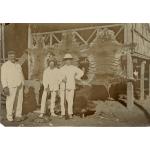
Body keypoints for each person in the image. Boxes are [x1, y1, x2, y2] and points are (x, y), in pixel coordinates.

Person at [1, 51, 24, 122]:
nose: (12, 57)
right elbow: (3, 77)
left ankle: (18, 115)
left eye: (13, 56)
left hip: (20, 85)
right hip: (10, 86)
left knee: (19, 101)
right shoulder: (5, 65)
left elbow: (21, 75)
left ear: (15, 56)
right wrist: (5, 87)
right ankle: (9, 116)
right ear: (8, 57)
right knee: (10, 101)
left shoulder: (18, 65)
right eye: (10, 56)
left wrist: (23, 84)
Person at [59, 53, 84, 119]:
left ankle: (70, 114)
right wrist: (62, 79)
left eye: (69, 60)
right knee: (62, 101)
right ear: (64, 61)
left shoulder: (74, 68)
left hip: (71, 86)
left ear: (71, 60)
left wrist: (76, 77)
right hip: (63, 87)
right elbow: (58, 77)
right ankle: (63, 113)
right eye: (67, 60)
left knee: (70, 101)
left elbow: (81, 72)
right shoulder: (61, 69)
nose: (68, 61)